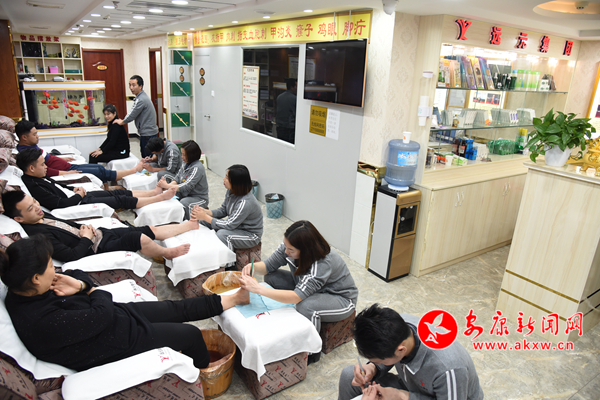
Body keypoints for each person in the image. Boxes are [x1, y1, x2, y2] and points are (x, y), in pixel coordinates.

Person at [0, 235, 250, 371]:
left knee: (175, 308)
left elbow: (75, 272)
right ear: (35, 278)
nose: (54, 271)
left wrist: (82, 286)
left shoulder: (28, 286)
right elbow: (101, 314)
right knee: (191, 335)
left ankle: (236, 297)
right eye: (49, 267)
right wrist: (89, 289)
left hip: (112, 318)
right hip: (116, 341)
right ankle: (204, 373)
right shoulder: (41, 322)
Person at [337, 304, 484, 400]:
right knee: (349, 375)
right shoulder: (399, 327)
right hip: (411, 387)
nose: (377, 363)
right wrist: (372, 368)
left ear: (401, 350)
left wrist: (402, 396)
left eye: (379, 361)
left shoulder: (448, 368)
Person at [2, 190, 194, 262]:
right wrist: (86, 237)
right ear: (19, 218)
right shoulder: (39, 237)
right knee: (139, 238)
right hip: (95, 247)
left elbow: (67, 225)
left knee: (148, 230)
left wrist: (84, 228)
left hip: (99, 235)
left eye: (35, 202)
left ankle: (189, 226)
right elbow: (70, 256)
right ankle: (167, 253)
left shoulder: (41, 217)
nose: (37, 207)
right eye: (31, 208)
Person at [238, 220, 357, 335]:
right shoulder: (290, 246)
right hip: (312, 288)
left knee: (305, 306)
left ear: (305, 251)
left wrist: (258, 289)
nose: (286, 251)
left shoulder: (323, 262)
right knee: (271, 277)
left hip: (339, 298)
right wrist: (252, 267)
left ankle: (311, 346)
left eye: (291, 250)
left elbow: (296, 297)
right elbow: (268, 266)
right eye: (285, 246)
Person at [16, 148, 174, 211]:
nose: (46, 167)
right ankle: (159, 197)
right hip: (78, 202)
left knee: (116, 193)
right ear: (31, 168)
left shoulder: (39, 177)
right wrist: (78, 195)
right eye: (42, 164)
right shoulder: (34, 186)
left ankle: (153, 192)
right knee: (121, 200)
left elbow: (56, 186)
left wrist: (73, 189)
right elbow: (60, 204)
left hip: (77, 195)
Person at [15, 120, 140, 182]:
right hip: (67, 170)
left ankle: (111, 183)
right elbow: (45, 170)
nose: (37, 137)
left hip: (67, 165)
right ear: (24, 137)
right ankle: (133, 170)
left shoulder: (32, 146)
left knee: (99, 168)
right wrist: (65, 173)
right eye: (34, 134)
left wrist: (62, 158)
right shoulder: (27, 154)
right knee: (99, 171)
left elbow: (47, 158)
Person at [191, 164, 262, 251]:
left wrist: (205, 217)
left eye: (227, 178)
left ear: (236, 182)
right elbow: (223, 210)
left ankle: (227, 259)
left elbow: (229, 225)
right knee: (203, 221)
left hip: (250, 235)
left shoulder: (245, 202)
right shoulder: (231, 191)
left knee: (222, 234)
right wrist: (206, 212)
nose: (223, 179)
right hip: (236, 226)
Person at [156, 140, 208, 220]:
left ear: (191, 155)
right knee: (168, 194)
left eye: (184, 154)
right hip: (186, 194)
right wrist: (168, 186)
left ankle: (185, 222)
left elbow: (186, 186)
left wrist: (167, 185)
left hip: (199, 198)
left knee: (184, 202)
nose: (181, 156)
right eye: (182, 154)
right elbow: (177, 178)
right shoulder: (185, 164)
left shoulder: (197, 168)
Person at [113, 75, 158, 158]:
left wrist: (122, 122)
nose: (131, 88)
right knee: (147, 156)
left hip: (148, 134)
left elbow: (132, 114)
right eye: (130, 85)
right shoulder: (141, 97)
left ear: (140, 86)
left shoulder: (141, 99)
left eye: (134, 85)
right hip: (148, 133)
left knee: (147, 158)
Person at [275, 78, 297, 144]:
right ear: (292, 87)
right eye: (296, 86)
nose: (297, 88)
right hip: (290, 129)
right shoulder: (295, 99)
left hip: (280, 127)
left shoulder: (279, 97)